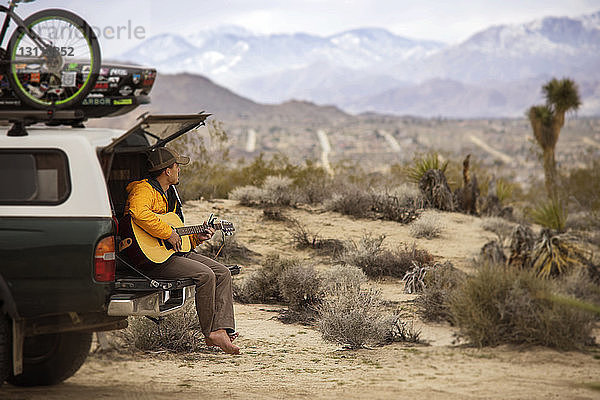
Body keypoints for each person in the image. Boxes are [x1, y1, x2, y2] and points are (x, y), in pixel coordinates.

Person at [124, 146, 240, 355]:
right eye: (177, 166)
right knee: (205, 275)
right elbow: (138, 212)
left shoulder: (170, 195)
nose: (179, 170)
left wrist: (196, 237)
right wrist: (167, 233)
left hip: (171, 253)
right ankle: (210, 333)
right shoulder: (144, 189)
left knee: (223, 272)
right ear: (167, 170)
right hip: (152, 259)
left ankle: (221, 329)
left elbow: (178, 236)